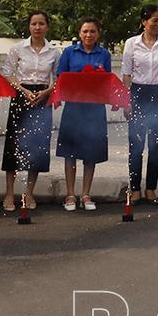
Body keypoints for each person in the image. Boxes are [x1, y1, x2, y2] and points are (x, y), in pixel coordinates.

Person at [0, 11, 59, 212]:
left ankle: (28, 192)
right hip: (20, 96)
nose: (37, 27)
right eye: (34, 23)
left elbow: (58, 78)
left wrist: (46, 92)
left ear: (47, 26)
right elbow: (7, 73)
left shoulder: (54, 52)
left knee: (37, 146)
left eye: (41, 23)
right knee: (13, 145)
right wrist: (23, 91)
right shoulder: (18, 48)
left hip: (42, 98)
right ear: (29, 26)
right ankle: (9, 192)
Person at [122, 4, 158, 204]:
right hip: (137, 94)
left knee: (156, 145)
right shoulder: (131, 43)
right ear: (144, 22)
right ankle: (135, 188)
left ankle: (151, 188)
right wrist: (126, 101)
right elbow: (126, 74)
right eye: (155, 20)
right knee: (136, 146)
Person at [56, 17, 113, 211]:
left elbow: (107, 81)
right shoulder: (69, 52)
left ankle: (86, 194)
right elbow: (61, 77)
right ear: (80, 33)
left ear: (98, 34)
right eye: (85, 31)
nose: (89, 35)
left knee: (91, 153)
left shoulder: (104, 55)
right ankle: (70, 194)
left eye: (93, 31)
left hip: (95, 108)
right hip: (73, 107)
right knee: (70, 153)